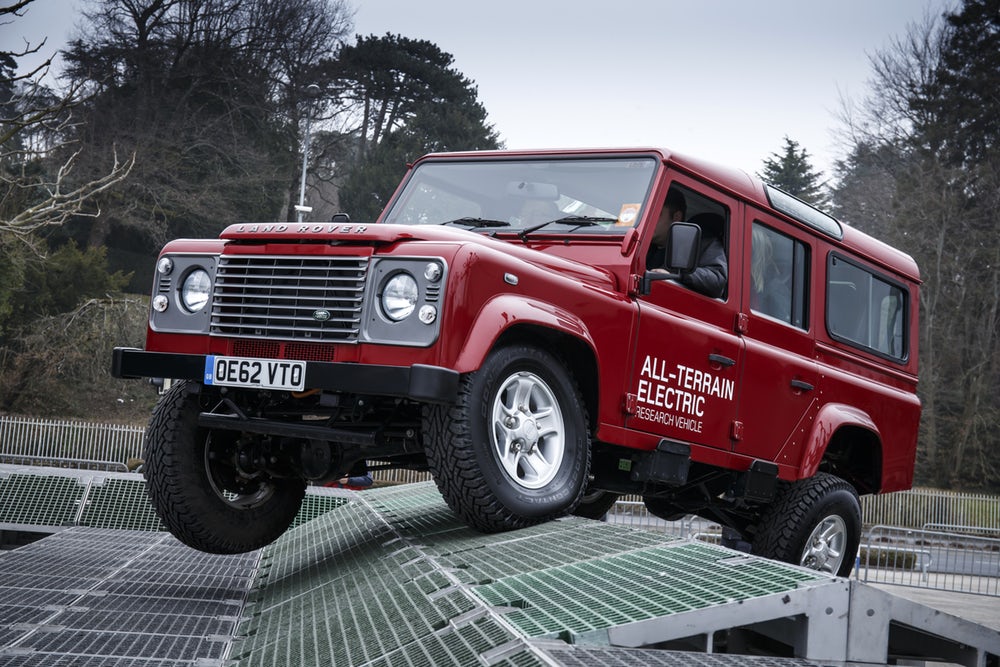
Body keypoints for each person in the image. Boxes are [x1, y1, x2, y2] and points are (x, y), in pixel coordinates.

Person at [646, 188, 728, 299]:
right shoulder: (641, 245)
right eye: (646, 213)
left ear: (676, 217)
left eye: (656, 214)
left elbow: (717, 279)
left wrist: (675, 275)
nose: (648, 220)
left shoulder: (704, 243)